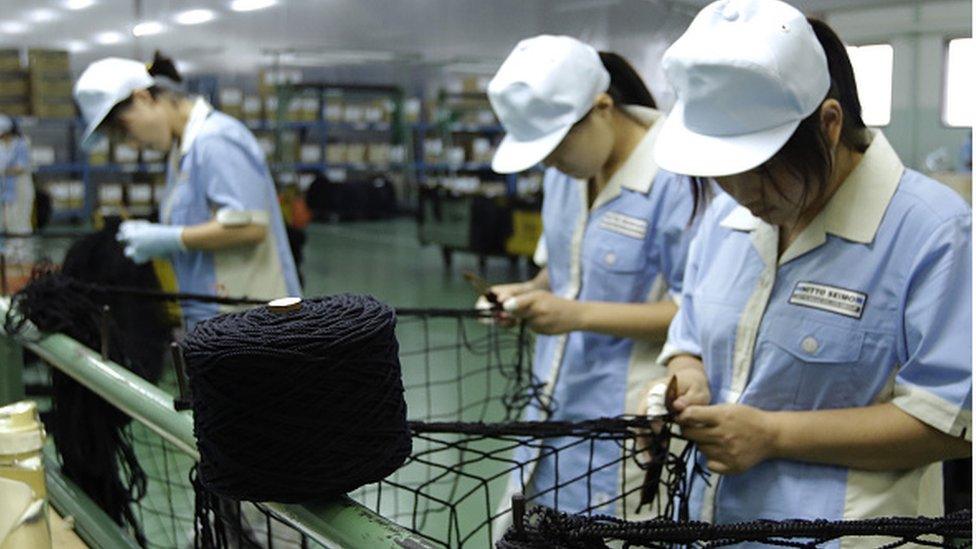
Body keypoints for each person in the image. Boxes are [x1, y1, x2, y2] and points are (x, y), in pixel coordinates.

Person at [648, 0, 971, 536]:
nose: (745, 193)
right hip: (713, 526)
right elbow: (690, 339)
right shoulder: (727, 219)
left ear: (829, 124)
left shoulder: (935, 232)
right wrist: (685, 382)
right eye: (725, 172)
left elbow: (951, 423)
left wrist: (772, 435)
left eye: (765, 166)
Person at [486, 35, 696, 516]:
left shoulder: (677, 177)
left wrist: (576, 314)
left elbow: (695, 315)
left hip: (627, 419)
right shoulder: (568, 174)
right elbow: (559, 270)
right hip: (552, 402)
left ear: (602, 107)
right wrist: (525, 294)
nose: (550, 164)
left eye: (557, 147)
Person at [73, 53, 301, 329]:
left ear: (144, 98)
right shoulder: (181, 153)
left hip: (255, 320)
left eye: (125, 129)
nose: (131, 145)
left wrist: (172, 238)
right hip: (215, 318)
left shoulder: (216, 141)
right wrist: (162, 243)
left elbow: (250, 228)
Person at [0, 114, 35, 262]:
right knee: (7, 221)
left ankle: (23, 257)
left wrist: (4, 171)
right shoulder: (2, 147)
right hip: (5, 190)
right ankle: (8, 256)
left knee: (19, 222)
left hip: (20, 188)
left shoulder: (22, 143)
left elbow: (20, 167)